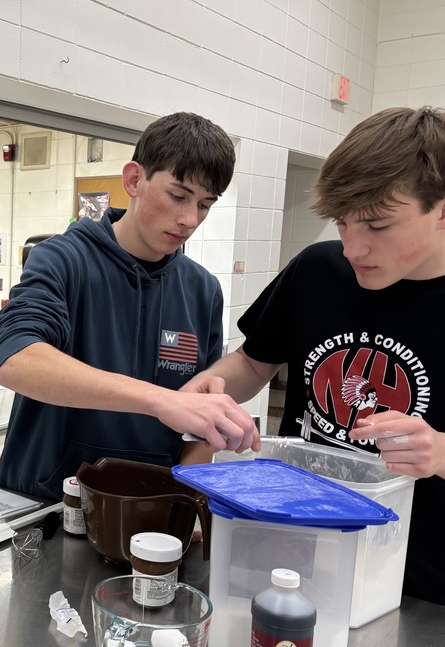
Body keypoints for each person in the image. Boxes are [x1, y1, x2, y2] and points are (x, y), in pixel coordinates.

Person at [183, 106, 445, 605]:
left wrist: (440, 452)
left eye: (377, 225)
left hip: (416, 581)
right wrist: (209, 390)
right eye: (342, 223)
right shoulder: (317, 270)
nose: (352, 248)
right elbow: (254, 362)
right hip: (293, 554)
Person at [0, 111, 259, 501]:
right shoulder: (63, 259)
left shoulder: (203, 290)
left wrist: (186, 502)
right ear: (134, 180)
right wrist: (162, 400)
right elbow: (16, 361)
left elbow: (197, 429)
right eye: (178, 196)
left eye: (205, 205)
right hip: (45, 505)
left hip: (149, 511)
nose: (189, 219)